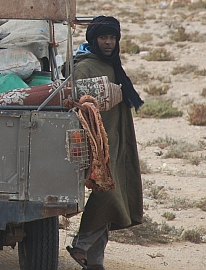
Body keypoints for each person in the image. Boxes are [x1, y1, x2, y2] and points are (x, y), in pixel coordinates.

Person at [66, 16, 144, 270]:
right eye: (103, 37)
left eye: (112, 37)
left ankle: (95, 262)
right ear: (93, 39)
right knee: (108, 194)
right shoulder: (84, 67)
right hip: (96, 145)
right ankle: (81, 245)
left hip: (117, 141)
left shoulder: (112, 65)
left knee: (114, 193)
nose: (108, 42)